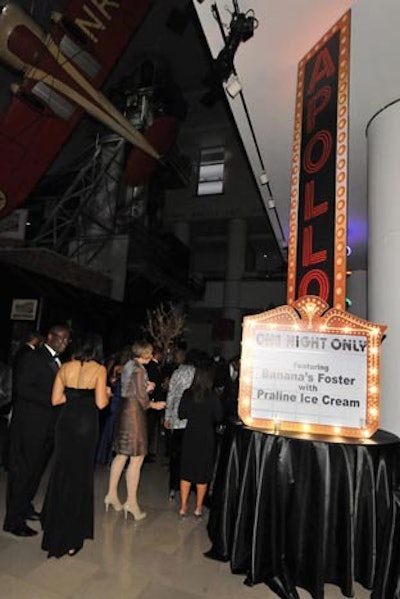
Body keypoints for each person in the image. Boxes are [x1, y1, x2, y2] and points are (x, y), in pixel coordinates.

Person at [41, 332, 110, 558]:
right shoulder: (99, 370)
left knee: (61, 474)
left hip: (65, 424)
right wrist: (107, 393)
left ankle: (53, 532)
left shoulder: (65, 367)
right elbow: (101, 404)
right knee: (80, 478)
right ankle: (72, 538)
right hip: (86, 426)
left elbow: (55, 400)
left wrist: (74, 397)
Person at [3, 325, 70, 537]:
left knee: (35, 472)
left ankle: (25, 506)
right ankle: (13, 521)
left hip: (46, 428)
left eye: (67, 339)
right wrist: (53, 400)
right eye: (61, 338)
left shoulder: (57, 361)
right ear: (50, 337)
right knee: (22, 472)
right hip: (30, 427)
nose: (64, 342)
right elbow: (22, 389)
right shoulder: (33, 357)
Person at [105, 340, 165, 520]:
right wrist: (154, 404)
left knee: (121, 454)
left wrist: (147, 387)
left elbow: (131, 389)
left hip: (125, 411)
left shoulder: (129, 365)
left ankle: (112, 494)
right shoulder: (139, 370)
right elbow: (142, 399)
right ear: (146, 353)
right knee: (137, 458)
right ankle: (131, 502)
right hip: (134, 415)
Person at [178, 363, 223, 518]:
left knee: (186, 471)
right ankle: (198, 508)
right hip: (206, 436)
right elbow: (219, 417)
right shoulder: (213, 396)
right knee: (202, 474)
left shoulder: (187, 394)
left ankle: (183, 507)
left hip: (190, 434)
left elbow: (181, 414)